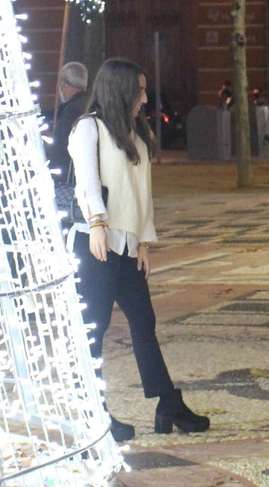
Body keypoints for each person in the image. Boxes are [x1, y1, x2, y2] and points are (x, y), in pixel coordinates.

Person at [70, 58, 210, 441]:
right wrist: (97, 222)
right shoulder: (89, 128)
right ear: (120, 90)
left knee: (143, 322)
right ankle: (92, 411)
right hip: (94, 242)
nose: (145, 98)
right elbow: (87, 182)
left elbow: (141, 195)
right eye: (139, 91)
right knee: (93, 329)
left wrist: (143, 242)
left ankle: (167, 401)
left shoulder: (135, 133)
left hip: (127, 246)